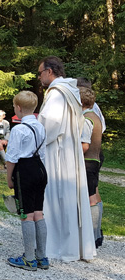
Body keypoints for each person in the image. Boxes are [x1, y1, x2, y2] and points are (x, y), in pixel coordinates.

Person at [37, 56, 95, 261]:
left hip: (57, 152)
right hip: (70, 150)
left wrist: (36, 139)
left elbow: (50, 124)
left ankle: (57, 246)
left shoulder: (57, 93)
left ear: (50, 71)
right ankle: (75, 246)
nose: (39, 77)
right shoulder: (70, 90)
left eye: (40, 72)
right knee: (69, 198)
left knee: (56, 196)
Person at [6, 91, 48, 271]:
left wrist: (9, 178)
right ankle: (42, 256)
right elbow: (44, 153)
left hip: (25, 170)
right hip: (40, 169)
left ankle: (29, 259)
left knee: (26, 214)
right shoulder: (41, 127)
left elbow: (12, 157)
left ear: (18, 108)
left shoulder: (19, 129)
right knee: (39, 212)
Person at [79, 86, 104, 249]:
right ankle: (95, 235)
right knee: (93, 194)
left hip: (87, 162)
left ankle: (93, 236)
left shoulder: (86, 119)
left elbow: (84, 145)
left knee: (90, 198)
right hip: (94, 161)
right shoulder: (95, 116)